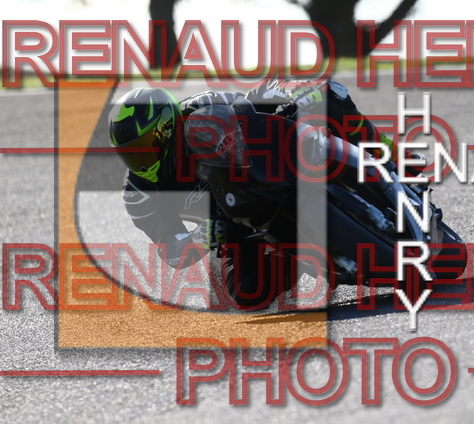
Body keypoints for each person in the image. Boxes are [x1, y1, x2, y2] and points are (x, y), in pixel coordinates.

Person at [107, 79, 388, 310]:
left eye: (144, 147)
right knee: (247, 292)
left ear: (167, 128)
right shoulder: (138, 193)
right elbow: (170, 249)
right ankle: (298, 257)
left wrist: (290, 90)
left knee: (328, 94)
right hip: (235, 224)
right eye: (130, 154)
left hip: (264, 164)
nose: (139, 161)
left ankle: (389, 156)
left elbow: (252, 100)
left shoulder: (200, 105)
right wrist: (197, 239)